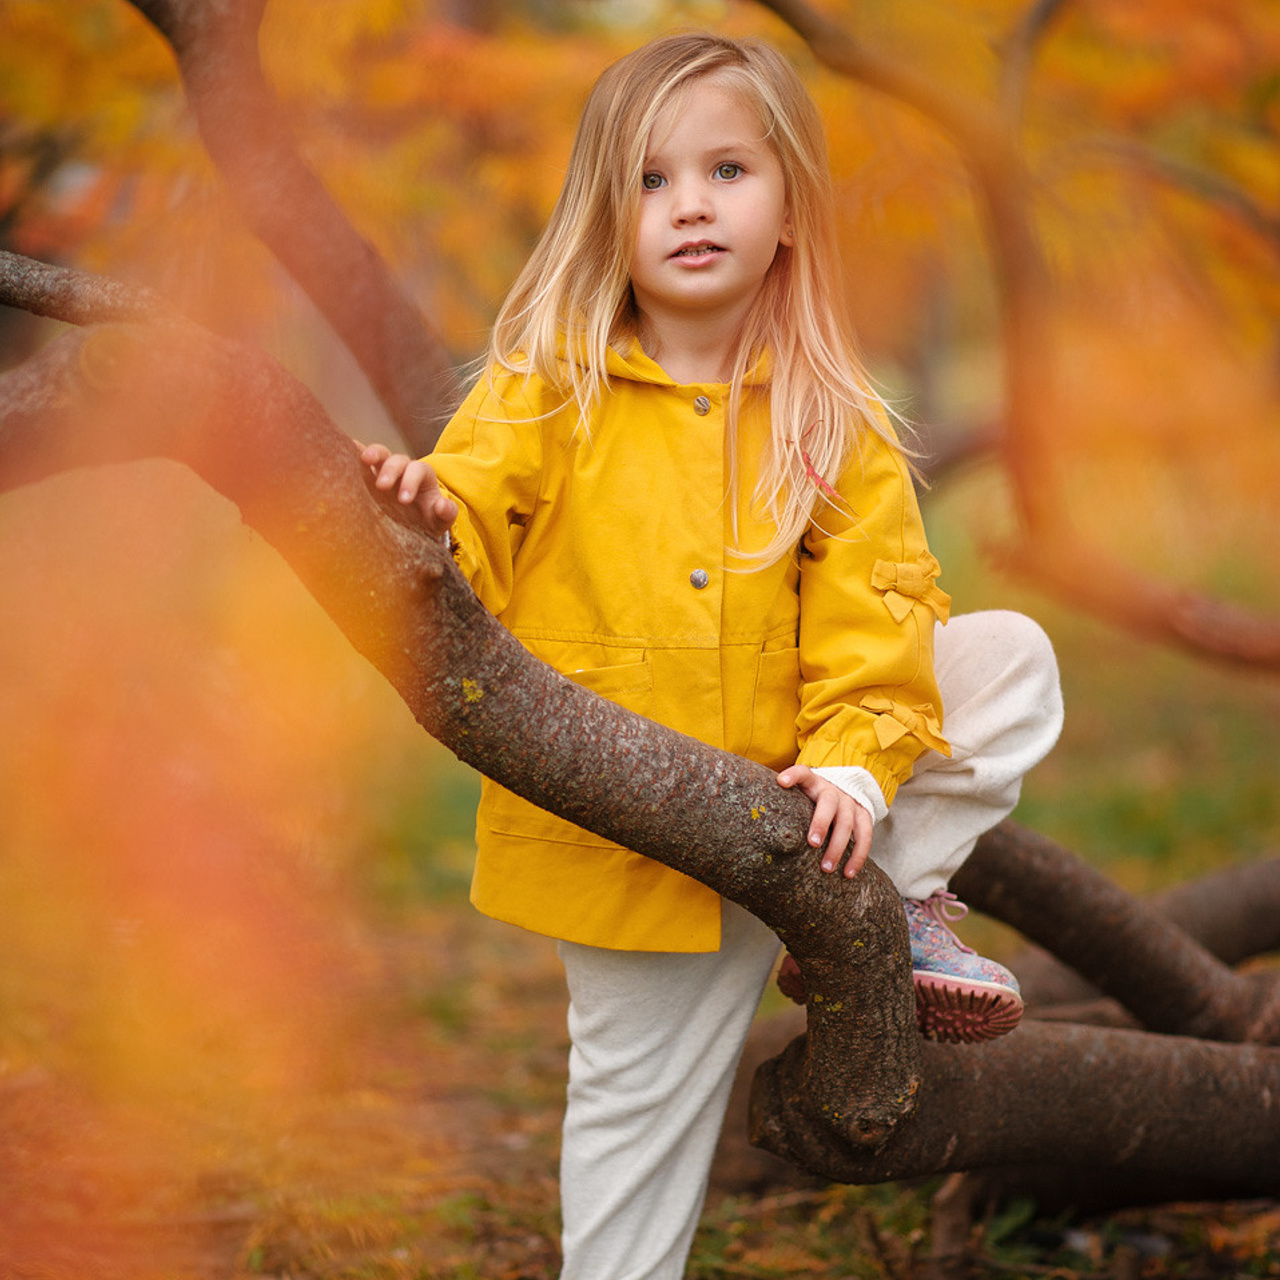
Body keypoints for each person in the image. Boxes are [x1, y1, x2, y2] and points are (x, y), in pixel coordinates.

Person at [362, 30, 1062, 1280]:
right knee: (633, 1114)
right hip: (634, 834)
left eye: (727, 169)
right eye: (649, 179)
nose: (688, 203)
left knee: (1008, 658)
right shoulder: (548, 384)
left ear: (788, 203)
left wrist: (851, 767)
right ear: (603, 214)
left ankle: (878, 903)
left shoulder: (828, 416)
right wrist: (430, 511)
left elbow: (876, 612)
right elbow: (477, 503)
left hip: (802, 818)